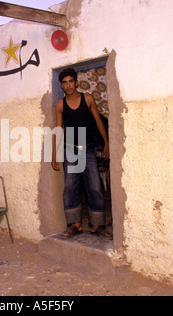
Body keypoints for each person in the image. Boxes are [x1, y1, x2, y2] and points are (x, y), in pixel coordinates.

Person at [52, 68, 111, 238]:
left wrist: (106, 142)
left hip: (88, 148)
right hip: (70, 150)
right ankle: (75, 225)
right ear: (61, 85)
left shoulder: (88, 99)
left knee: (95, 187)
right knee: (70, 187)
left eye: (71, 81)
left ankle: (97, 225)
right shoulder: (60, 105)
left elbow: (98, 121)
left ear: (76, 82)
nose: (69, 85)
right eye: (65, 82)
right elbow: (58, 128)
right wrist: (54, 153)